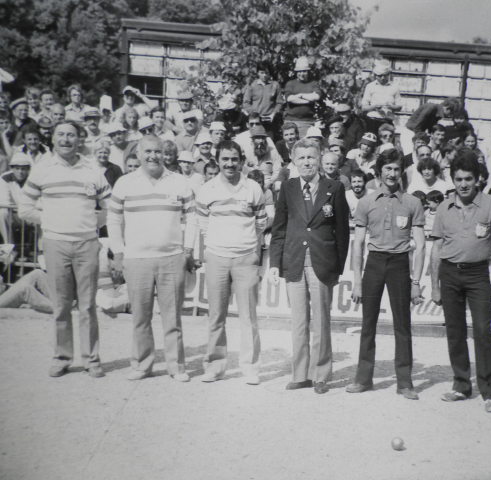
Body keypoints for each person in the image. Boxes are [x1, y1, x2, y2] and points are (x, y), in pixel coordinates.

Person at [19, 121, 111, 378]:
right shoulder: (42, 169)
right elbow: (25, 206)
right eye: (61, 134)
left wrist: (91, 225)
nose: (66, 139)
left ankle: (92, 359)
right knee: (61, 305)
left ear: (79, 139)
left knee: (88, 305)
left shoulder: (92, 168)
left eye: (71, 135)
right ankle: (62, 357)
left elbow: (109, 205)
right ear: (53, 138)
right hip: (55, 243)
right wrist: (49, 222)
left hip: (87, 244)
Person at [108, 135, 196, 382]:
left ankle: (176, 366)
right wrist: (119, 251)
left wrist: (187, 250)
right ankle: (141, 365)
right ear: (137, 154)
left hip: (171, 258)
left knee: (172, 317)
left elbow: (193, 218)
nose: (152, 156)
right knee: (140, 317)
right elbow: (113, 219)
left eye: (157, 151)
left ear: (165, 154)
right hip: (137, 260)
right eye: (147, 152)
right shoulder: (125, 183)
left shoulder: (179, 182)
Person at [269, 138, 350, 394]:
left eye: (311, 157)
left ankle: (321, 375)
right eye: (301, 157)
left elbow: (342, 232)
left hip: (322, 263)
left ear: (319, 160)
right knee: (299, 321)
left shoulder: (334, 188)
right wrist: (274, 263)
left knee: (321, 321)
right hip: (294, 262)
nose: (307, 162)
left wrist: (337, 267)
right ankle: (300, 373)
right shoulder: (289, 188)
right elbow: (279, 228)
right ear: (293, 161)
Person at [430, 150, 491, 413]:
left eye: (469, 179)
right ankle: (461, 384)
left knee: (483, 331)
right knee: (455, 330)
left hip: (477, 275)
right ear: (453, 179)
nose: (463, 184)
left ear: (478, 180)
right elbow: (436, 247)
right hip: (449, 274)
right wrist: (434, 285)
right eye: (459, 179)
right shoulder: (443, 207)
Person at [345, 148, 425, 400]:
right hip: (375, 263)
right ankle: (363, 378)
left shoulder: (412, 203)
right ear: (379, 172)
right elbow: (357, 243)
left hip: (400, 264)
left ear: (402, 172)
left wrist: (416, 282)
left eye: (396, 169)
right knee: (368, 323)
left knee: (403, 325)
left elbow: (421, 245)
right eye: (387, 169)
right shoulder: (366, 202)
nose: (392, 173)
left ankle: (405, 382)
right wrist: (357, 281)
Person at [195, 140, 267, 384]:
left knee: (249, 317)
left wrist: (252, 250)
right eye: (225, 159)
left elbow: (261, 223)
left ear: (241, 160)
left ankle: (250, 367)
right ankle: (215, 366)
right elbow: (203, 224)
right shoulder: (207, 189)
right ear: (217, 160)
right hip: (217, 257)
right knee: (216, 315)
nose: (230, 163)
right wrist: (217, 245)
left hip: (246, 257)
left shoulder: (253, 188)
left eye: (234, 159)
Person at [242, 61, 283, 137]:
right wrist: (254, 114)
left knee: (269, 141)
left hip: (270, 120)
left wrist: (273, 113)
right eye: (262, 73)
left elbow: (279, 102)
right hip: (256, 121)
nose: (264, 75)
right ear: (258, 73)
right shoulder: (252, 85)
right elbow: (246, 103)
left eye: (266, 73)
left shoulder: (275, 85)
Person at [283, 57, 321, 136]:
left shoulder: (313, 83)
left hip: (307, 121)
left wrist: (300, 95)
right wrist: (308, 100)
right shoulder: (290, 83)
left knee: (304, 145)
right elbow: (289, 99)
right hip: (290, 120)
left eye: (304, 71)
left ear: (308, 71)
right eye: (299, 71)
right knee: (291, 144)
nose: (302, 74)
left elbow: (316, 97)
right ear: (296, 72)